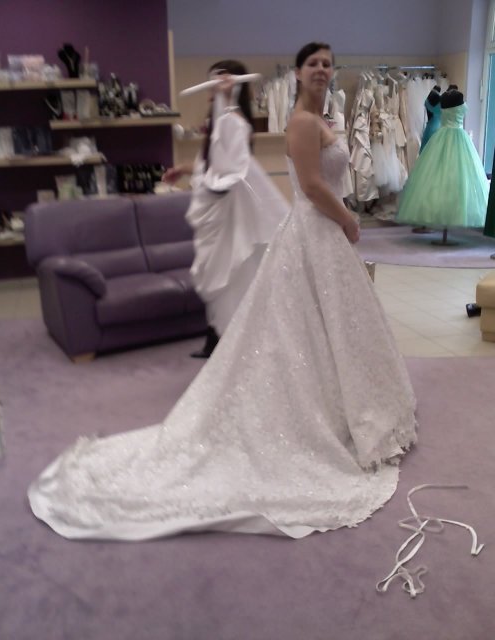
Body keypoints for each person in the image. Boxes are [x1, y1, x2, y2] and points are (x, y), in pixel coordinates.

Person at [28, 42, 417, 542]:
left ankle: (343, 406)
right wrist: (348, 219)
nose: (321, 70)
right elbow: (312, 186)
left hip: (325, 237)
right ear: (297, 73)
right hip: (317, 230)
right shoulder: (301, 122)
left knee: (328, 329)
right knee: (302, 328)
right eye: (312, 64)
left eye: (327, 63)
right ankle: (319, 415)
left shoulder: (320, 119)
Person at [163, 60, 288, 357]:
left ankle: (232, 341)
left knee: (232, 272)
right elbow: (208, 162)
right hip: (217, 209)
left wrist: (228, 100)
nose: (212, 89)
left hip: (231, 209)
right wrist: (183, 169)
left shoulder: (234, 120)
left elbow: (230, 163)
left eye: (218, 82)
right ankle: (216, 337)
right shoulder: (219, 119)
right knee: (217, 272)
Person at [397, 87, 489, 229]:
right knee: (445, 176)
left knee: (448, 177)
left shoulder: (448, 98)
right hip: (455, 137)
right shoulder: (448, 98)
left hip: (447, 137)